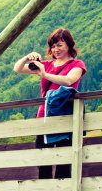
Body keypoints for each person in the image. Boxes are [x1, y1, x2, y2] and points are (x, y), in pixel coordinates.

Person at [14, 29, 87, 182]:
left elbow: (69, 80)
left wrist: (45, 75)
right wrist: (27, 57)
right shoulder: (47, 65)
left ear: (69, 45)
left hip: (65, 117)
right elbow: (17, 68)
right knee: (43, 160)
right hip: (44, 116)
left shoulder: (77, 64)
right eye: (53, 46)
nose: (56, 50)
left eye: (59, 45)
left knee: (64, 161)